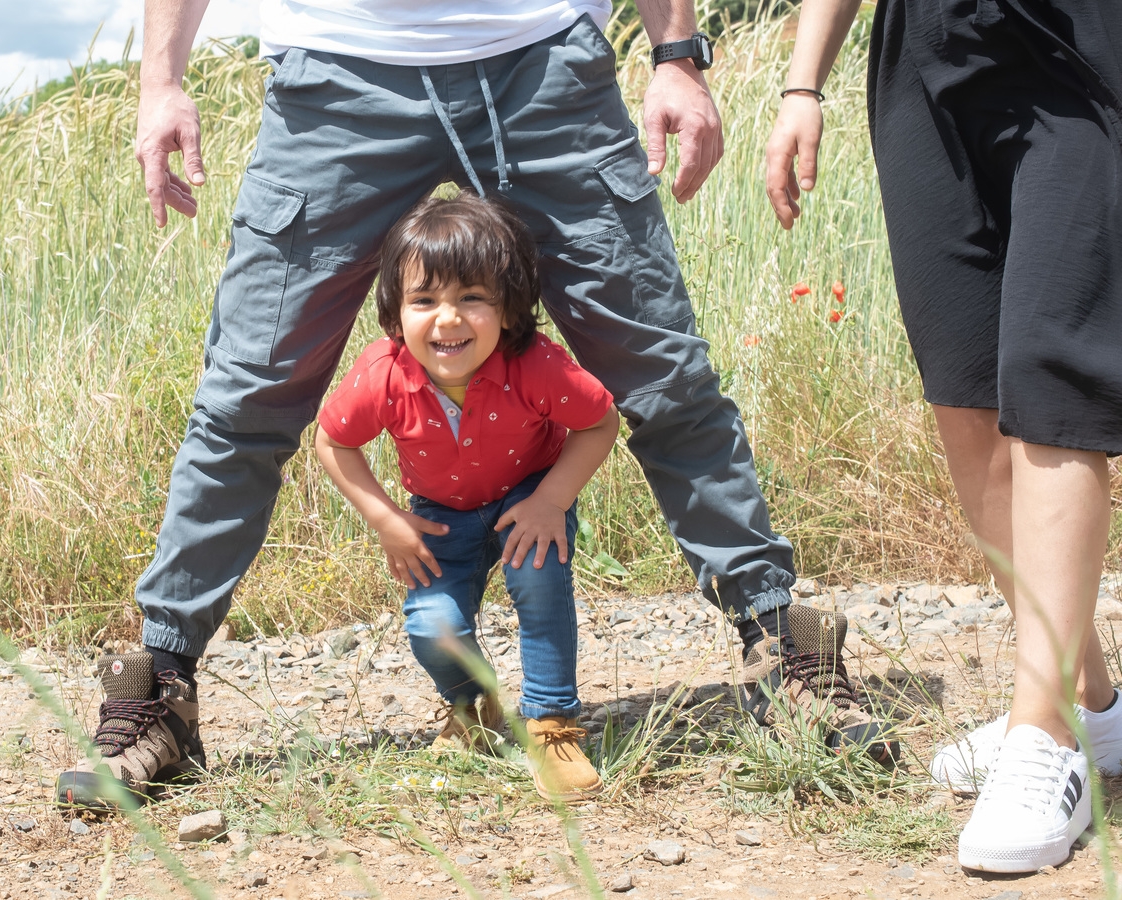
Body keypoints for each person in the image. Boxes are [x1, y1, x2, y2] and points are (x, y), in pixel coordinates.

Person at [55, 0, 892, 811]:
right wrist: (159, 80)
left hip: (542, 65)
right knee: (245, 398)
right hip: (337, 75)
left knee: (665, 378)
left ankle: (782, 647)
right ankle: (160, 688)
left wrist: (677, 54)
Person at [765, 0, 1122, 874]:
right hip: (923, 58)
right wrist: (803, 80)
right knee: (964, 391)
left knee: (1051, 371)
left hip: (1081, 48)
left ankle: (1041, 740)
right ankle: (1092, 705)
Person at [315, 192, 618, 801]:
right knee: (433, 626)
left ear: (507, 310)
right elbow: (331, 441)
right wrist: (384, 518)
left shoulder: (534, 365)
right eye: (424, 300)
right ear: (396, 312)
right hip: (437, 515)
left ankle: (553, 725)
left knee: (537, 577)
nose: (447, 319)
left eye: (471, 298)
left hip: (526, 495)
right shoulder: (384, 375)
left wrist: (552, 499)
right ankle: (473, 706)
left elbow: (599, 420)